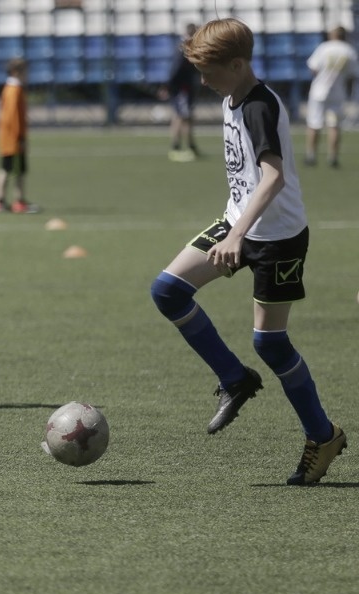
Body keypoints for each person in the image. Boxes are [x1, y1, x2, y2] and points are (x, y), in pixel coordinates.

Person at [149, 18, 346, 485]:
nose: (202, 81)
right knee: (168, 291)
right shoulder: (229, 95)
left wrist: (236, 236)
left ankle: (324, 436)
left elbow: (272, 177)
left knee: (270, 344)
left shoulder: (258, 105)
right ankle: (235, 378)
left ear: (237, 64)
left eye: (209, 71)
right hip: (239, 223)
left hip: (276, 238)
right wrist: (235, 227)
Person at [304, 26, 359, 168]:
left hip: (319, 91)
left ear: (332, 34)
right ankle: (333, 157)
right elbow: (353, 75)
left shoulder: (324, 48)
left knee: (314, 123)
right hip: (338, 92)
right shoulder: (350, 50)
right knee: (334, 125)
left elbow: (313, 68)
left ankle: (311, 155)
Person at [0, 57, 40, 214]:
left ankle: (2, 201)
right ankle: (16, 201)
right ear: (16, 72)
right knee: (15, 170)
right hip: (13, 138)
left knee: (8, 169)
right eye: (26, 72)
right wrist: (19, 137)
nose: (28, 76)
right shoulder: (14, 90)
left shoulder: (10, 88)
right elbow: (12, 117)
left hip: (8, 137)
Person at [158, 23, 202, 162]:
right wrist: (167, 86)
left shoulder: (185, 47)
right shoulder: (184, 49)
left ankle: (190, 147)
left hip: (184, 88)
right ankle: (177, 148)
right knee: (181, 116)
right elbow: (175, 70)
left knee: (183, 116)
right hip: (181, 89)